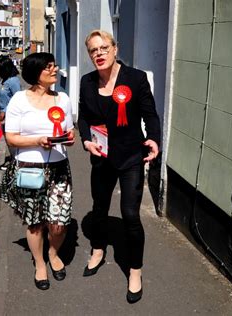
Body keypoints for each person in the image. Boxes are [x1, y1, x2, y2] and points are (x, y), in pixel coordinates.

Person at [78, 30, 160, 303]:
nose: (99, 54)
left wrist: (154, 139)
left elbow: (150, 113)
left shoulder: (135, 79)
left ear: (115, 49)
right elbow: (84, 118)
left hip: (129, 158)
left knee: (130, 215)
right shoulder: (87, 82)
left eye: (103, 48)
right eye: (93, 50)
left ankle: (135, 271)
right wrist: (86, 140)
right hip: (101, 157)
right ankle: (98, 250)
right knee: (99, 208)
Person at [0, 52, 76, 290]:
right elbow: (11, 138)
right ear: (36, 73)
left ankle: (53, 253)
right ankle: (40, 263)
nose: (55, 70)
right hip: (30, 168)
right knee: (34, 222)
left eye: (55, 65)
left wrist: (68, 139)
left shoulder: (63, 99)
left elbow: (69, 132)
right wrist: (38, 141)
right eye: (49, 67)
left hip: (59, 168)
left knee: (59, 222)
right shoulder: (19, 100)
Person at [0, 56, 21, 169]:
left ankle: (16, 162)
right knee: (7, 139)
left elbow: (18, 99)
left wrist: (4, 111)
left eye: (0, 70)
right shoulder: (4, 80)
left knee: (11, 139)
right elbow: (1, 98)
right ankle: (12, 159)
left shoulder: (13, 81)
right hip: (2, 116)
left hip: (10, 117)